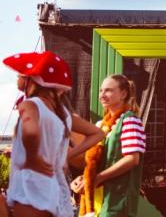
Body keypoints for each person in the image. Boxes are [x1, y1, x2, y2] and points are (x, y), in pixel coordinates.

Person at [2, 51, 105, 217]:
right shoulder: (63, 114)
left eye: (21, 74)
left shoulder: (30, 105)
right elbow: (98, 133)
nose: (17, 78)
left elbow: (31, 133)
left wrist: (32, 157)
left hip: (31, 188)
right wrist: (68, 154)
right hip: (55, 189)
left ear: (34, 79)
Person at [72, 74, 146, 217]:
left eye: (108, 90)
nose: (102, 95)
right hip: (99, 201)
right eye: (101, 90)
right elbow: (96, 163)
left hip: (117, 202)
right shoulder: (101, 125)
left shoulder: (130, 121)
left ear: (123, 94)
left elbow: (132, 159)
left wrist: (97, 178)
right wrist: (84, 179)